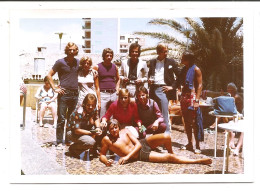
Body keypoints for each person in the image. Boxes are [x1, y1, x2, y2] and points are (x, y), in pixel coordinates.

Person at [99, 119, 212, 166]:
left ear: (118, 127)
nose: (114, 130)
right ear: (108, 130)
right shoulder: (107, 140)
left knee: (166, 137)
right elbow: (102, 155)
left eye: (116, 128)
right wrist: (106, 162)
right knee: (168, 158)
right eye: (112, 129)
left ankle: (173, 153)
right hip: (140, 154)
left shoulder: (125, 131)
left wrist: (126, 157)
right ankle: (197, 161)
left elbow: (138, 144)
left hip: (142, 144)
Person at [47, 42, 80, 149]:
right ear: (67, 50)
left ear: (76, 51)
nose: (71, 51)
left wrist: (94, 71)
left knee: (71, 119)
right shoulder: (60, 62)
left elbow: (88, 68)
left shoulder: (78, 62)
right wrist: (55, 88)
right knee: (61, 118)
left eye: (74, 50)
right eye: (70, 49)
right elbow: (49, 75)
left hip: (75, 94)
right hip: (64, 94)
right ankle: (59, 141)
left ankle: (68, 139)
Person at [148, 43, 180, 133]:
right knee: (153, 111)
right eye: (163, 51)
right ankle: (155, 133)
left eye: (167, 51)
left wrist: (172, 87)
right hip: (153, 89)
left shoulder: (171, 62)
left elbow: (180, 75)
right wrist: (149, 80)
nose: (166, 53)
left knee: (164, 112)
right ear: (158, 52)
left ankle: (166, 133)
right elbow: (149, 75)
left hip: (163, 89)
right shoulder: (152, 62)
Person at [178, 51, 204, 154]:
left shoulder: (196, 69)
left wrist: (197, 100)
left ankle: (197, 145)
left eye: (183, 57)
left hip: (192, 97)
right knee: (186, 122)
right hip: (184, 97)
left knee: (194, 122)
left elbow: (200, 85)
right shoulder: (184, 69)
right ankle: (189, 143)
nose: (181, 58)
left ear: (188, 59)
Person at [66, 93, 103, 158]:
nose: (90, 107)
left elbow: (96, 118)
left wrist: (98, 128)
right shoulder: (79, 112)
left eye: (93, 105)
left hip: (85, 128)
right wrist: (91, 133)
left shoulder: (93, 109)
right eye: (88, 105)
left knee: (102, 129)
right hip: (72, 132)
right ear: (84, 104)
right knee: (90, 142)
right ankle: (73, 149)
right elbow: (77, 131)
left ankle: (94, 149)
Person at [93, 48, 120, 118]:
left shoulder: (115, 67)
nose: (109, 57)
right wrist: (98, 99)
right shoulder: (97, 67)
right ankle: (102, 128)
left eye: (111, 56)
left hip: (113, 94)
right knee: (102, 114)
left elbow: (118, 79)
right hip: (103, 94)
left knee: (113, 114)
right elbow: (96, 84)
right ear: (104, 56)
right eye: (107, 55)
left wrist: (117, 89)